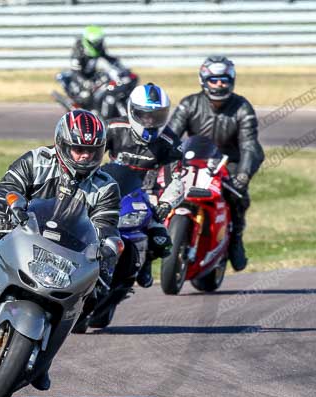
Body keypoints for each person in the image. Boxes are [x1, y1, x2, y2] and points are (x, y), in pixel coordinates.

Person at [0, 110, 122, 390]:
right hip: (19, 233)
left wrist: (108, 248)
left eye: (91, 152)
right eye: (78, 150)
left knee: (91, 295)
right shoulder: (37, 160)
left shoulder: (106, 186)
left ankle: (43, 358)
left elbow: (107, 225)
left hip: (69, 254)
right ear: (62, 144)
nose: (84, 157)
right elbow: (5, 188)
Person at [166, 55, 264, 272]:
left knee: (239, 198)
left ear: (231, 81)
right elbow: (170, 136)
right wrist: (161, 160)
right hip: (194, 160)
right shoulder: (189, 104)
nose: (219, 84)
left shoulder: (242, 107)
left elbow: (249, 145)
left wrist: (243, 175)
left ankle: (236, 240)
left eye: (224, 80)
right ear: (204, 80)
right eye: (214, 80)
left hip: (228, 163)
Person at [103, 82, 183, 288]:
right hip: (110, 189)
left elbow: (176, 178)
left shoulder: (170, 141)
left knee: (162, 242)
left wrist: (166, 203)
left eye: (157, 116)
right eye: (144, 115)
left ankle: (145, 261)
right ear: (131, 111)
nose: (150, 121)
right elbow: (88, 155)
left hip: (147, 196)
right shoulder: (113, 128)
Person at [63, 25, 123, 110]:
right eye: (95, 43)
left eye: (99, 43)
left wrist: (118, 64)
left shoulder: (99, 48)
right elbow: (75, 72)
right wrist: (84, 83)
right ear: (88, 42)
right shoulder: (78, 51)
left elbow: (107, 58)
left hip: (92, 74)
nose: (98, 46)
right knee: (85, 96)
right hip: (79, 77)